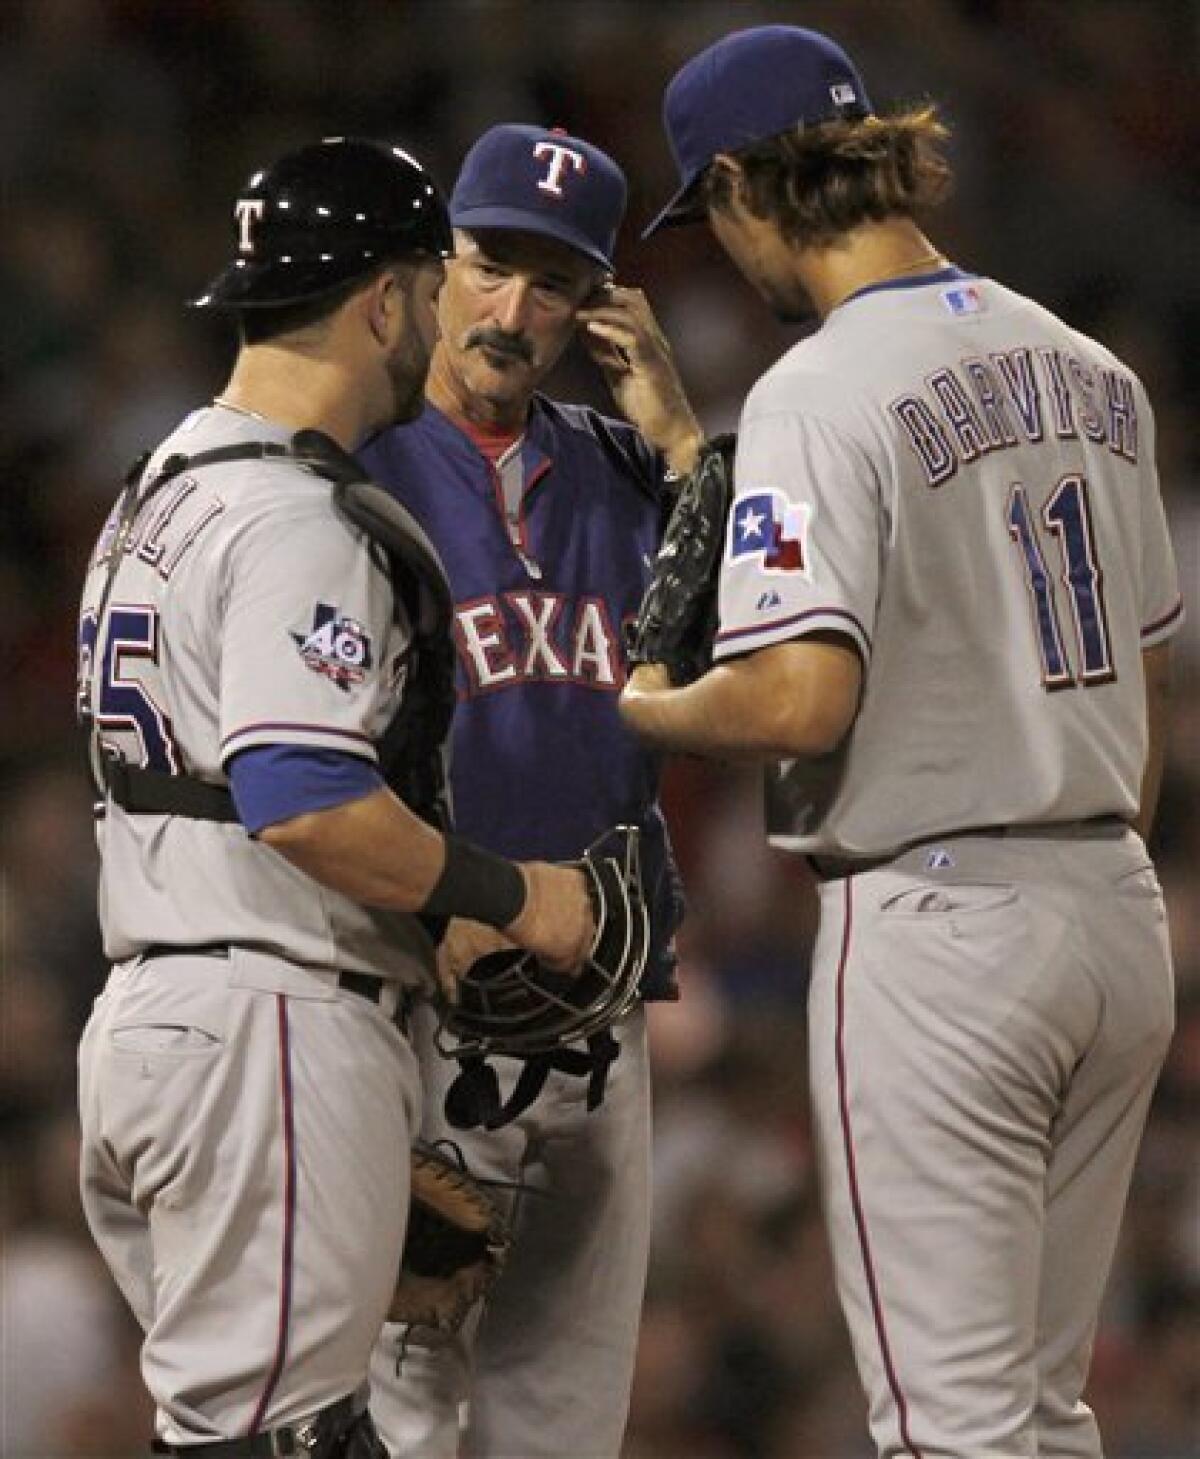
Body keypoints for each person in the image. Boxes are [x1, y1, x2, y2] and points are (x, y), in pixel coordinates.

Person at [621, 25, 1182, 1459]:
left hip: (944, 926)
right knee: (1046, 1418)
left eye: (715, 208)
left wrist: (638, 706)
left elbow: (799, 700)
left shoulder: (817, 387)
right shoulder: (1090, 369)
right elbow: (1151, 693)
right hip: (1115, 906)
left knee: (951, 1430)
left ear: (747, 183)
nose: (723, 245)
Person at [74, 136, 596, 1459]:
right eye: (433, 287)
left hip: (163, 1019)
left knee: (274, 1429)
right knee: (277, 1442)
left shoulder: (160, 490)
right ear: (381, 300)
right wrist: (509, 895)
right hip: (268, 1031)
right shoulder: (297, 518)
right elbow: (302, 797)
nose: (444, 319)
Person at [358, 123, 702, 1459]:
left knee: (565, 1423)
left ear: (597, 306)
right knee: (396, 1412)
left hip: (604, 1007)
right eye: (492, 265)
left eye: (553, 282)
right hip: (415, 1006)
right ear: (436, 263)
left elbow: (774, 631)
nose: (514, 310)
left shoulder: (625, 471)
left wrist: (679, 433)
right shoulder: (361, 461)